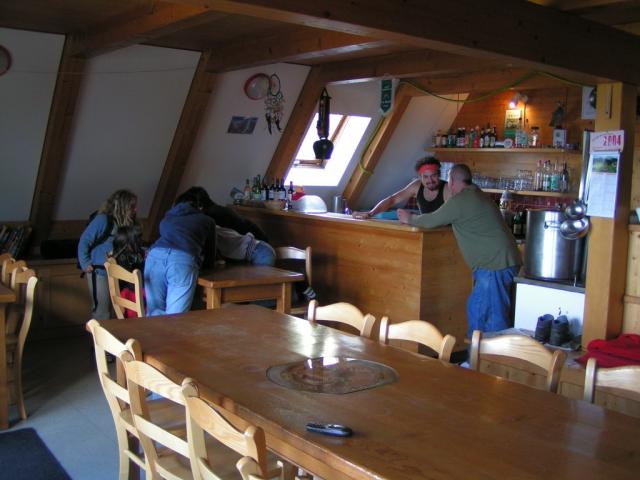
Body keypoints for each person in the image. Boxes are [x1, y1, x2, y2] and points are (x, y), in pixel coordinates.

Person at [397, 164, 521, 337]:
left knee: (486, 315)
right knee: (488, 311)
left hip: (494, 265)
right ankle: (484, 353)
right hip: (502, 261)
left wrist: (409, 218)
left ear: (452, 181)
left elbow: (432, 220)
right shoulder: (476, 193)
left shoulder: (461, 200)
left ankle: (481, 354)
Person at [144, 189, 216, 316]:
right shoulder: (207, 221)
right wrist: (204, 267)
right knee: (176, 318)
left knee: (154, 312)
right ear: (199, 206)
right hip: (182, 260)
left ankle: (153, 329)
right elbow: (210, 254)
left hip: (154, 256)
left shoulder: (167, 218)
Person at [78, 189, 138, 321]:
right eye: (132, 206)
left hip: (118, 272)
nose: (135, 210)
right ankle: (99, 334)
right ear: (122, 206)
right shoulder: (103, 220)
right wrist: (85, 263)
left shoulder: (128, 223)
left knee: (119, 311)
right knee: (102, 311)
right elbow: (84, 241)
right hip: (99, 272)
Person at [353, 157, 451, 219]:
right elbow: (392, 200)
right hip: (425, 230)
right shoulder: (416, 186)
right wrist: (370, 213)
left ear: (439, 175)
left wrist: (412, 219)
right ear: (420, 177)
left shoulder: (447, 189)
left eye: (433, 175)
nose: (430, 180)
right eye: (425, 177)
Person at [109, 224, 146, 318]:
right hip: (133, 297)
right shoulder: (127, 259)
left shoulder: (116, 256)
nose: (140, 242)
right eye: (138, 240)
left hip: (125, 296)